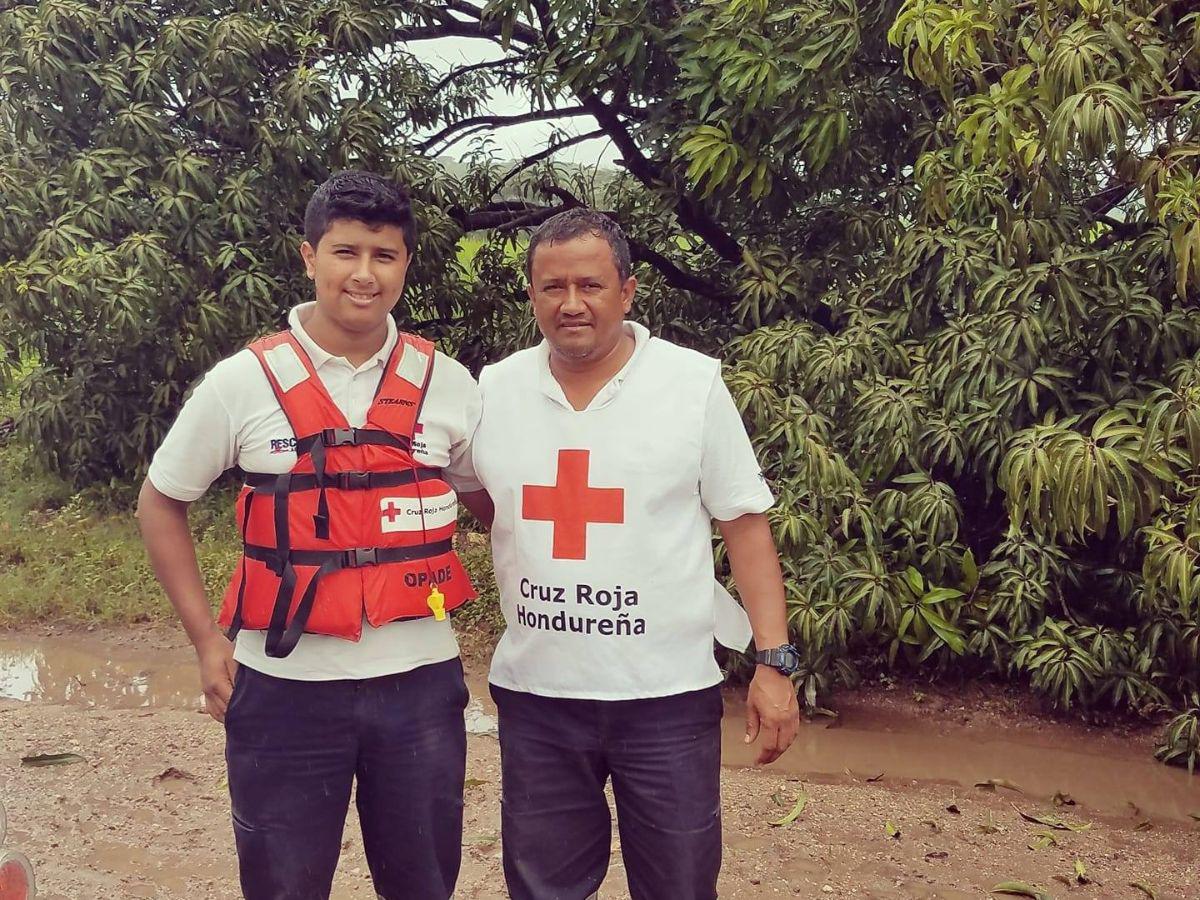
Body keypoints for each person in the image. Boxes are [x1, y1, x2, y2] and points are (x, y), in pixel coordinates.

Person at [136, 171, 489, 900]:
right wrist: (207, 641)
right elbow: (160, 501)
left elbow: (496, 506)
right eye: (345, 252)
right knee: (283, 887)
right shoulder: (242, 382)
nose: (364, 274)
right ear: (309, 257)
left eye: (384, 256)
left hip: (421, 688)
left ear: (405, 265)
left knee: (423, 886)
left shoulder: (450, 383)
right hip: (283, 689)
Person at [467, 208, 802, 899]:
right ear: (531, 294)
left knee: (679, 886)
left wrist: (774, 662)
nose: (570, 304)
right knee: (541, 888)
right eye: (550, 287)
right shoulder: (493, 390)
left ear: (628, 289)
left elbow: (744, 523)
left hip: (666, 697)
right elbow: (485, 500)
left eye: (590, 285)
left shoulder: (691, 384)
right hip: (539, 697)